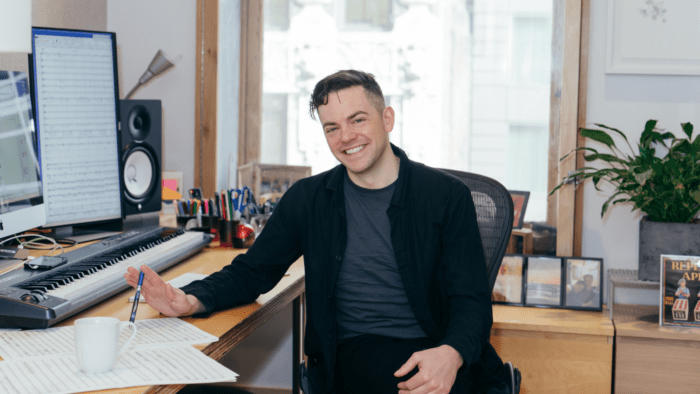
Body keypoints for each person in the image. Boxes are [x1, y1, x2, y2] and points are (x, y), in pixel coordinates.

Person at [125, 70, 509, 394]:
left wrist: (452, 354)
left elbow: (471, 301)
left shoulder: (445, 197)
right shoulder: (309, 199)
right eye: (332, 128)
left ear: (386, 119)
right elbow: (254, 271)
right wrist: (190, 300)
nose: (346, 137)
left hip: (436, 346)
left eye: (358, 120)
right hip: (354, 355)